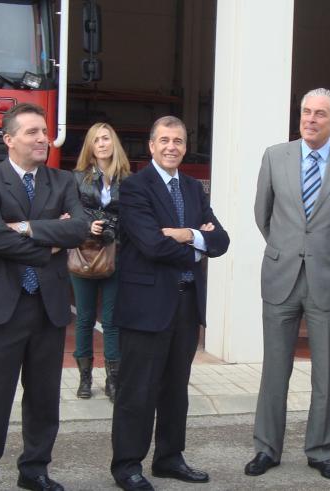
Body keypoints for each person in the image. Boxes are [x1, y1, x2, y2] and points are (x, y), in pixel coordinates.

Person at [0, 103, 92, 491]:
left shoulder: (63, 180)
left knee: (43, 397)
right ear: (9, 139)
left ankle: (35, 469)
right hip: (4, 306)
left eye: (44, 131)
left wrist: (26, 227)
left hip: (48, 307)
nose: (42, 138)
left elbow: (81, 228)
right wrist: (50, 240)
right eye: (33, 132)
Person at [247, 88, 330, 481]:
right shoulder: (275, 156)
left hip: (329, 278)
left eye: (320, 114)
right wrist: (290, 249)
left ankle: (320, 450)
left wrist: (327, 252)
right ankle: (267, 448)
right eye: (306, 112)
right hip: (281, 275)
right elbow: (262, 215)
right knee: (274, 369)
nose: (310, 119)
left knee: (326, 372)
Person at [109, 116, 230, 491]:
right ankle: (127, 465)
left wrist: (184, 234)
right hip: (146, 305)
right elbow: (150, 244)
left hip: (185, 304)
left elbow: (222, 240)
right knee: (137, 391)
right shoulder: (134, 188)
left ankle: (169, 458)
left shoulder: (194, 188)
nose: (172, 147)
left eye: (178, 140)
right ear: (150, 145)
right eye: (164, 140)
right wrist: (198, 243)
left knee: (176, 388)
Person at [70, 122, 131, 401]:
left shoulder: (127, 179)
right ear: (90, 146)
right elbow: (69, 213)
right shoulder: (77, 178)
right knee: (83, 319)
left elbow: (132, 216)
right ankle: (85, 379)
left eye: (107, 138)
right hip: (85, 252)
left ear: (114, 142)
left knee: (112, 321)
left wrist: (111, 226)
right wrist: (87, 225)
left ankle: (113, 380)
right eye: (97, 140)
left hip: (115, 255)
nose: (102, 144)